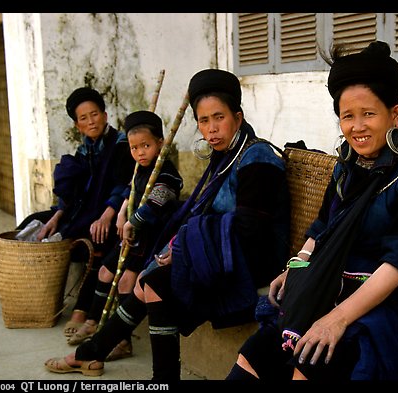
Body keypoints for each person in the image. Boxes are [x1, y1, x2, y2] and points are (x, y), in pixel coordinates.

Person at [225, 41, 398, 381]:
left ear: (393, 113)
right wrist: (297, 269)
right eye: (347, 116)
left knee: (311, 363)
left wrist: (336, 319)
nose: (357, 127)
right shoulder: (348, 168)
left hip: (393, 300)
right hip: (333, 285)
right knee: (254, 355)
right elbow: (324, 224)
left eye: (369, 114)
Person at [44, 68, 291, 379]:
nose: (211, 129)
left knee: (155, 282)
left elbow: (250, 232)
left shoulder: (257, 159)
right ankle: (94, 354)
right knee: (152, 281)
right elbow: (204, 215)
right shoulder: (227, 154)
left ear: (237, 118)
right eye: (203, 121)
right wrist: (181, 243)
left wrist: (185, 247)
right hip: (224, 250)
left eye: (219, 117)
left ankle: (101, 355)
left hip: (254, 260)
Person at [16, 87, 135, 339]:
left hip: (111, 212)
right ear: (77, 125)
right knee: (35, 221)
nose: (91, 121)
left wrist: (107, 215)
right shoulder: (85, 149)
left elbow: (124, 182)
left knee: (98, 237)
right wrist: (58, 215)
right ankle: (39, 296)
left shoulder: (122, 143)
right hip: (84, 208)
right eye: (84, 118)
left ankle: (83, 309)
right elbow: (73, 192)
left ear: (104, 115)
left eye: (94, 114)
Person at [65, 110, 184, 363]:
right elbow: (131, 193)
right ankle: (93, 321)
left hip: (150, 239)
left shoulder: (167, 173)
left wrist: (133, 221)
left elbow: (154, 204)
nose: (140, 152)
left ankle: (122, 341)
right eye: (134, 148)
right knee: (104, 273)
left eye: (146, 146)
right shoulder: (139, 169)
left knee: (126, 284)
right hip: (131, 234)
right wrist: (121, 213)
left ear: (161, 143)